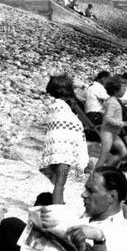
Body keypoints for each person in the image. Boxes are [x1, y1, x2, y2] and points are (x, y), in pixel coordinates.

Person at [39, 75, 89, 205]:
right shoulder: (64, 108)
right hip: (64, 149)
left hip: (54, 147)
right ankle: (57, 206)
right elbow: (75, 124)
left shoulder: (55, 106)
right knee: (60, 182)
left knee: (59, 181)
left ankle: (59, 202)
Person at [96, 76, 127, 168]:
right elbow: (108, 119)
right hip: (107, 133)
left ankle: (107, 169)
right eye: (123, 89)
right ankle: (97, 174)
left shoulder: (114, 101)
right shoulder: (112, 102)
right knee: (103, 156)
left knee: (123, 152)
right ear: (116, 89)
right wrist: (123, 124)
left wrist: (124, 133)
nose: (125, 91)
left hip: (114, 133)